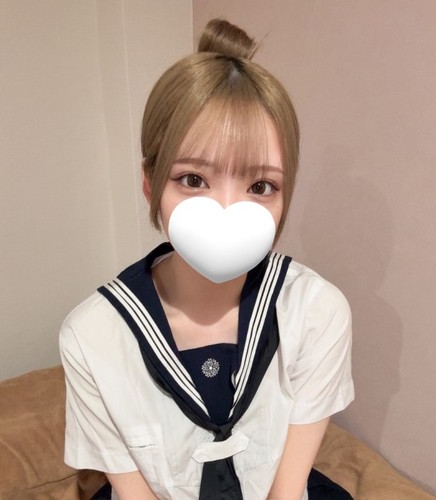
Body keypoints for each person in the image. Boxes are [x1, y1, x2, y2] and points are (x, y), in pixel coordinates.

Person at [60, 19, 354, 500]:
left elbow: (286, 491)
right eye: (193, 180)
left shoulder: (317, 313)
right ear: (150, 182)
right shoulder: (93, 336)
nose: (226, 213)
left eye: (260, 186)